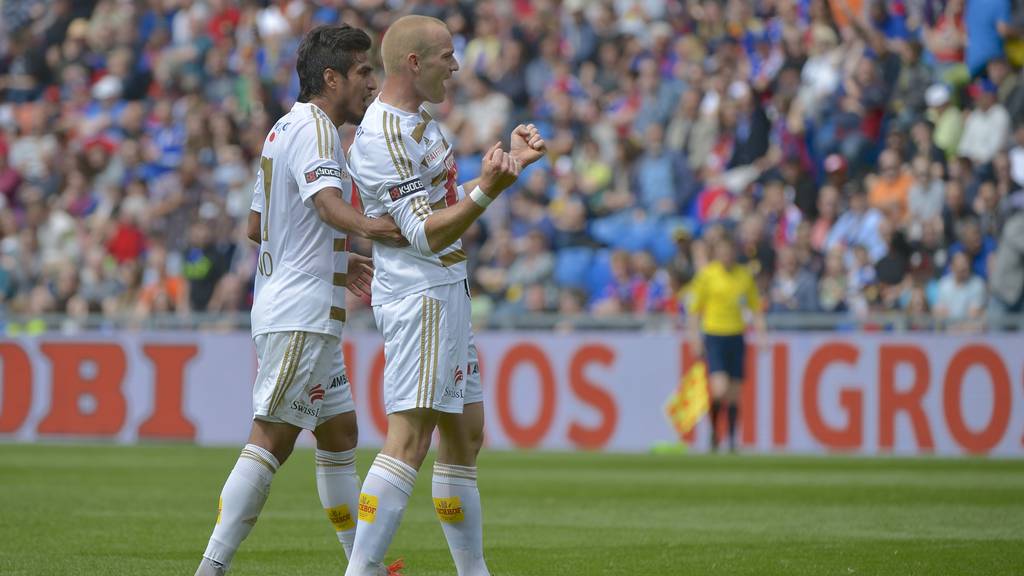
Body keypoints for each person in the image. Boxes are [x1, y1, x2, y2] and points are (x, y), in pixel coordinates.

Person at [195, 25, 407, 576]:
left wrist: (337, 256)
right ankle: (210, 567)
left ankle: (359, 563)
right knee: (272, 438)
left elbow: (256, 225)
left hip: (301, 306)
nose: (370, 83)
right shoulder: (317, 130)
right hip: (301, 315)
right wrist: (374, 230)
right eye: (363, 72)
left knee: (340, 434)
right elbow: (329, 205)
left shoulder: (281, 128)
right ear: (331, 78)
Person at [345, 15, 544, 576]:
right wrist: (491, 188)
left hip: (447, 290)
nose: (457, 68)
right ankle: (359, 571)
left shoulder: (423, 124)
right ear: (414, 62)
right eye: (447, 58)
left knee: (466, 434)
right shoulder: (383, 137)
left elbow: (447, 207)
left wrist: (507, 166)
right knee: (408, 440)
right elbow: (427, 231)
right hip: (420, 296)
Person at [687, 238, 765, 452]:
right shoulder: (708, 275)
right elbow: (694, 309)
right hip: (715, 334)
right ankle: (714, 431)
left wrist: (761, 334)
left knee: (734, 393)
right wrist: (694, 337)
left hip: (736, 335)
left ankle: (731, 440)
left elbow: (755, 307)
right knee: (719, 389)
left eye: (729, 252)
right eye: (722, 252)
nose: (726, 256)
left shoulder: (743, 276)